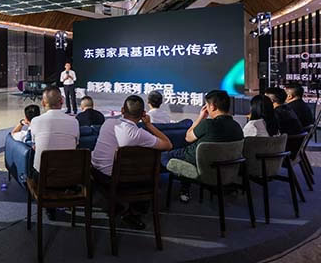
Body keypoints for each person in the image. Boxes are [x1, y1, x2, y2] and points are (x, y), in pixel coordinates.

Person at [92, 95, 172, 229]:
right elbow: (168, 145)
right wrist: (149, 125)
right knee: (148, 176)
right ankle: (133, 214)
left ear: (122, 110)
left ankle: (116, 205)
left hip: (101, 178)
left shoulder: (107, 124)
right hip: (128, 182)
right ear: (143, 114)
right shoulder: (140, 134)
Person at [163, 90, 243, 203]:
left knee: (164, 156)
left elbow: (188, 137)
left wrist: (201, 117)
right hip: (223, 169)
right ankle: (184, 188)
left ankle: (180, 187)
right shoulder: (237, 126)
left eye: (207, 105)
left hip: (201, 167)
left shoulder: (208, 124)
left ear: (212, 106)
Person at [30, 86, 79, 220]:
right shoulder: (74, 121)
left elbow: (35, 145)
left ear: (43, 103)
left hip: (43, 178)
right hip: (70, 178)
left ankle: (49, 207)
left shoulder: (35, 121)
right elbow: (75, 144)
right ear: (62, 101)